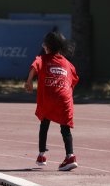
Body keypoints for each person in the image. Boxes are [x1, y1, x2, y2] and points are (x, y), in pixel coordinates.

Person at [25, 31, 79, 171]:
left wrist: (29, 81)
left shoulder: (42, 59)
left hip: (49, 96)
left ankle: (41, 155)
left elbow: (34, 67)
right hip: (65, 98)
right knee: (65, 128)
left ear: (47, 46)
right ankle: (70, 156)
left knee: (44, 122)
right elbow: (74, 79)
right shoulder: (68, 64)